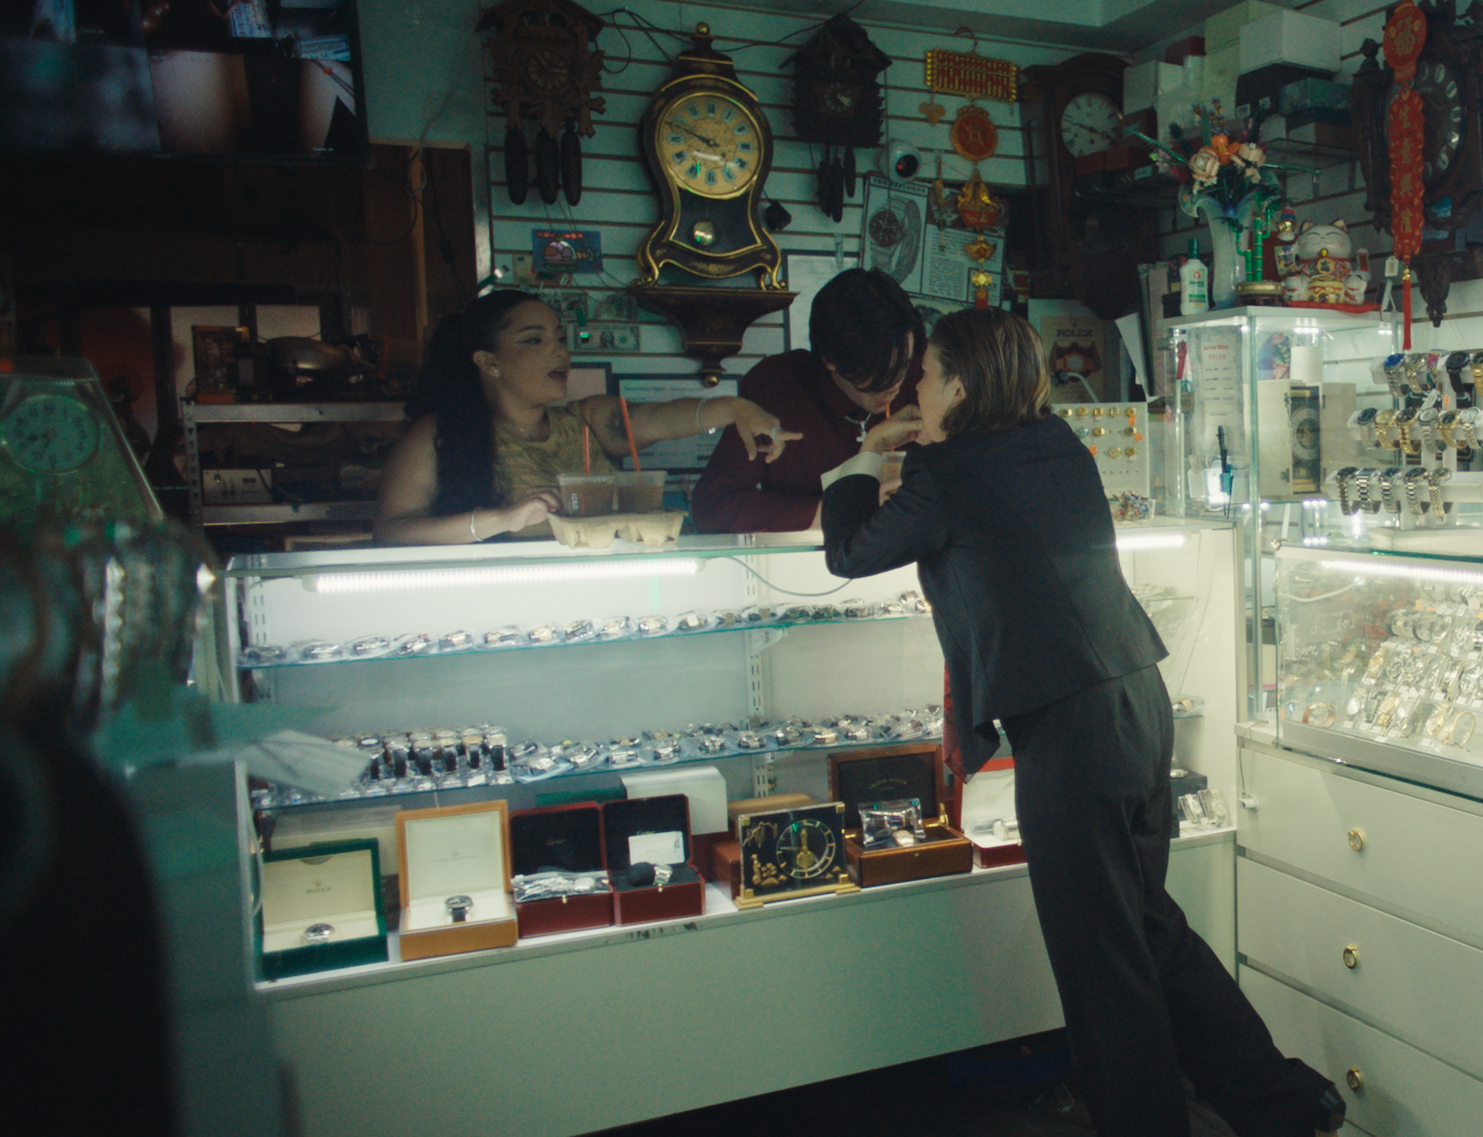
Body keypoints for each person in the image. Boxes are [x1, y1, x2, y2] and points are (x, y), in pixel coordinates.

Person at [817, 309, 1343, 1137]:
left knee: (1101, 961)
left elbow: (848, 551)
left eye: (923, 377)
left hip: (1071, 732)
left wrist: (858, 459)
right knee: (1147, 926)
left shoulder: (947, 475)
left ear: (956, 386)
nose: (911, 390)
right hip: (1136, 701)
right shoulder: (1055, 443)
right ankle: (1284, 1103)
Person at [373, 289, 798, 545]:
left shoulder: (586, 419)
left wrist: (733, 408)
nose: (560, 351)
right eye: (535, 340)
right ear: (489, 361)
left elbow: (659, 419)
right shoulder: (437, 436)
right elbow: (392, 531)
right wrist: (499, 520)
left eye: (560, 337)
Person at [692, 267, 924, 532]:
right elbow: (713, 508)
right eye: (876, 377)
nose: (894, 386)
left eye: (903, 366)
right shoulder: (777, 386)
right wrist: (841, 511)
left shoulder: (925, 372)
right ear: (829, 360)